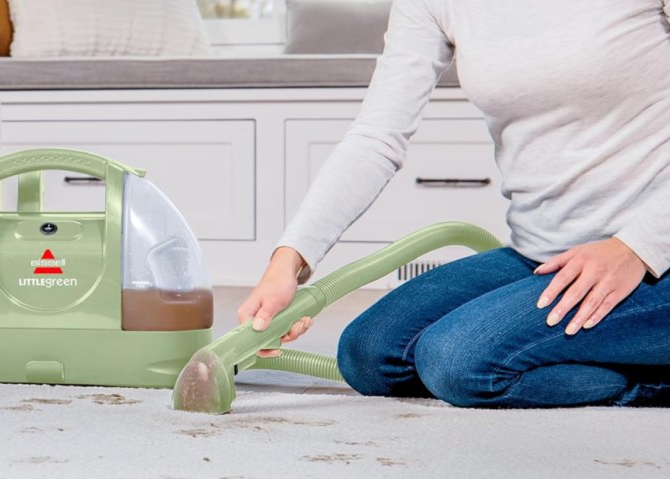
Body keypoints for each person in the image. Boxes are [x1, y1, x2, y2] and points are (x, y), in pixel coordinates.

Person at [238, 0, 670, 408]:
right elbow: (376, 137)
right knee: (369, 356)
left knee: (458, 363)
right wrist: (288, 262)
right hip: (542, 255)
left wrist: (634, 247)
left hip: (654, 258)